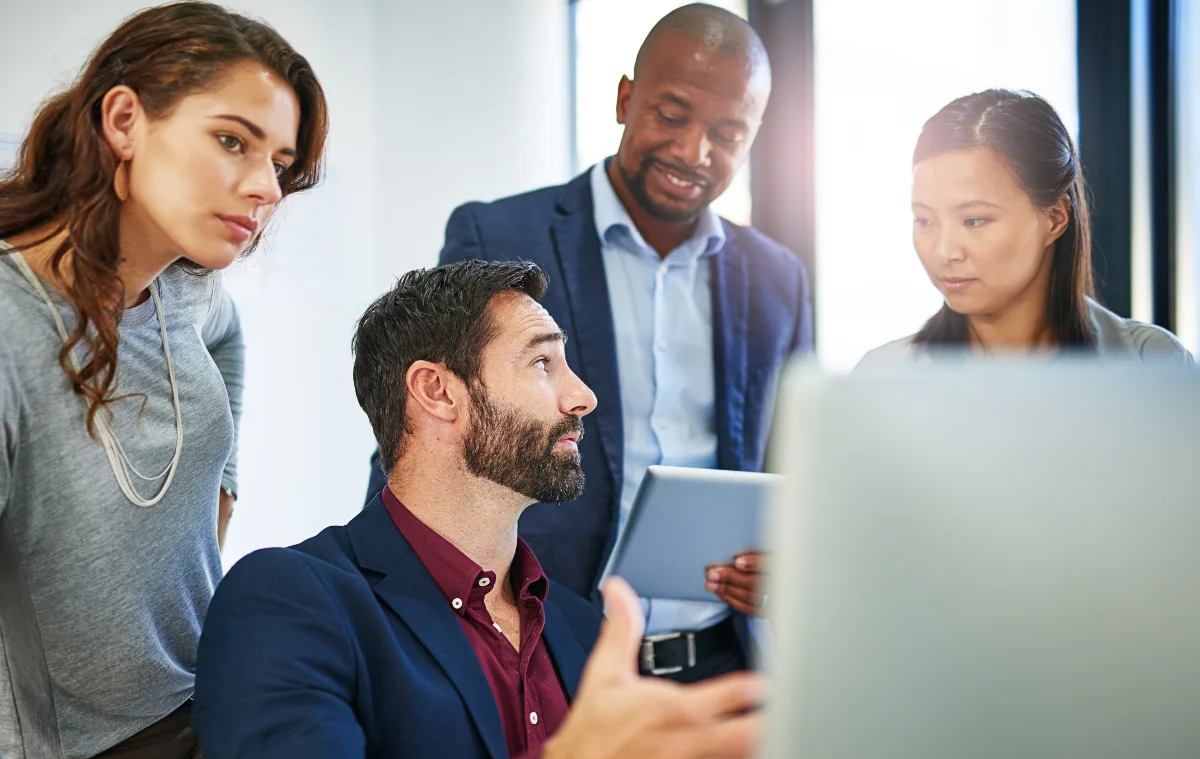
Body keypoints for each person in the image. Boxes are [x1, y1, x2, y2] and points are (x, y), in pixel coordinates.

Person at [192, 260, 766, 759]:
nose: (583, 397)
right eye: (543, 364)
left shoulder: (588, 632)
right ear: (437, 391)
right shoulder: (287, 601)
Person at [365, 2, 812, 683]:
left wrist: (787, 557)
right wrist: (382, 626)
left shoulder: (778, 281)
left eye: (728, 133)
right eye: (672, 113)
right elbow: (420, 438)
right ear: (625, 99)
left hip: (724, 667)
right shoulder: (500, 237)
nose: (695, 152)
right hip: (543, 660)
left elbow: (795, 470)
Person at [0, 3, 327, 759]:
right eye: (231, 140)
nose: (266, 188)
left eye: (280, 161)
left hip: (206, 712)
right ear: (124, 120)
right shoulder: (10, 327)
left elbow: (224, 341)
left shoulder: (184, 285)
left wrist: (218, 481)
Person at [859, 89, 1192, 365]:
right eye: (926, 220)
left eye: (974, 220)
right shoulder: (881, 378)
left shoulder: (1153, 363)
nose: (944, 252)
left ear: (1055, 218)